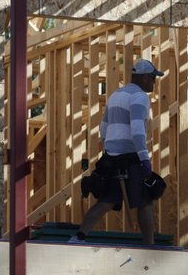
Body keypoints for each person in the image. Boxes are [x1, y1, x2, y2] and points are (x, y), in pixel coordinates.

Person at [70, 58, 165, 245]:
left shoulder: (116, 95)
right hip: (131, 158)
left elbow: (103, 128)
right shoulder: (139, 97)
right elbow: (137, 129)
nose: (154, 82)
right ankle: (150, 247)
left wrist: (109, 152)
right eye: (153, 78)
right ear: (144, 77)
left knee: (107, 201)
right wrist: (144, 158)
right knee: (145, 202)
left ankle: (78, 237)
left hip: (113, 158)